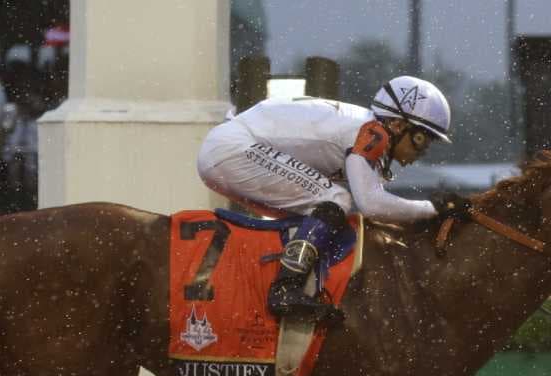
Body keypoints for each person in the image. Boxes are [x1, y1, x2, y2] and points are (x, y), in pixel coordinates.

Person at [197, 75, 472, 320]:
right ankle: (285, 289)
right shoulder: (371, 133)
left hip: (227, 148)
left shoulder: (368, 129)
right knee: (335, 199)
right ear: (398, 124)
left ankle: (281, 279)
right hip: (232, 149)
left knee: (325, 211)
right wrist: (433, 209)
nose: (421, 153)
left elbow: (377, 205)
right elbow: (372, 204)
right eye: (422, 139)